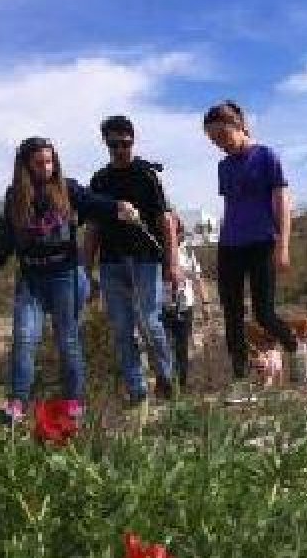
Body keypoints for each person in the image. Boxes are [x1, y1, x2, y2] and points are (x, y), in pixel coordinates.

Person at [0, 137, 136, 422]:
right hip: (30, 278)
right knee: (24, 337)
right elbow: (5, 238)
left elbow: (95, 204)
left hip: (64, 276)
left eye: (50, 161)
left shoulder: (67, 188)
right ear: (26, 166)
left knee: (67, 339)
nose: (46, 168)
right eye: (39, 163)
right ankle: (16, 404)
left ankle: (74, 402)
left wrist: (119, 206)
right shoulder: (14, 196)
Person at [202, 100, 303, 384]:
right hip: (230, 245)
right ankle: (240, 374)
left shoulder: (266, 156)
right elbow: (231, 206)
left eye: (222, 136)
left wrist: (283, 244)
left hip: (262, 242)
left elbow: (281, 201)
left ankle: (294, 346)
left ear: (237, 125)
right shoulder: (223, 167)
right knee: (232, 313)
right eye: (213, 140)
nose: (219, 144)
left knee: (264, 313)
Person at [84, 116, 180, 402]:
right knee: (123, 329)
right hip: (112, 262)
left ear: (133, 141)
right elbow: (93, 227)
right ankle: (137, 391)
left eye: (125, 143)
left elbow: (166, 220)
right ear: (106, 144)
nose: (120, 149)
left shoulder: (146, 174)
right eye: (114, 144)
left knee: (150, 322)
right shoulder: (100, 180)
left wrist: (173, 262)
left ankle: (166, 377)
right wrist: (85, 270)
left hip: (145, 259)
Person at [161, 215, 209, 390]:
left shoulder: (188, 252)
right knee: (163, 346)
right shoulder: (158, 250)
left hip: (184, 306)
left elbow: (198, 278)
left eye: (177, 230)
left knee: (182, 347)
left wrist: (206, 303)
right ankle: (165, 385)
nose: (175, 234)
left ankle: (181, 385)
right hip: (162, 306)